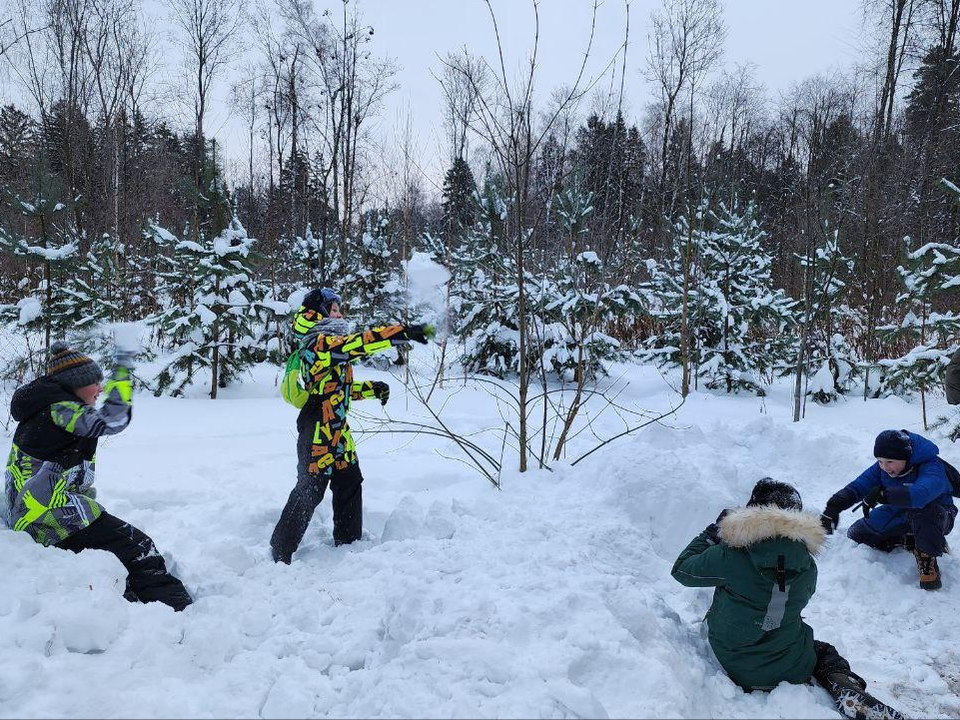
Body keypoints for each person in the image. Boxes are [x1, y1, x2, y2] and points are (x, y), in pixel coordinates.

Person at [4, 341, 192, 611]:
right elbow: (113, 420)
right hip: (51, 515)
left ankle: (122, 601)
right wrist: (123, 368)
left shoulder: (45, 407)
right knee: (140, 548)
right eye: (95, 382)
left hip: (32, 513)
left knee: (108, 550)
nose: (101, 388)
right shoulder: (61, 410)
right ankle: (181, 612)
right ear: (75, 384)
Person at [671, 479, 880, 709]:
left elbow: (681, 570)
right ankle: (846, 685)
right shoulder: (807, 565)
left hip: (733, 661)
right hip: (792, 667)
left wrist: (712, 533)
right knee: (824, 652)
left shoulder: (730, 555)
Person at [270, 287, 434, 563]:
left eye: (338, 308)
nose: (339, 313)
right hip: (318, 429)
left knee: (350, 480)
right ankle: (281, 550)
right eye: (333, 309)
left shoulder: (330, 344)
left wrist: (371, 389)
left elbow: (336, 388)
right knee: (310, 489)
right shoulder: (317, 344)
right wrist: (401, 333)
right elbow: (361, 343)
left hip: (337, 429)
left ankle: (349, 543)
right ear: (317, 313)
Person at [820, 429, 956, 590]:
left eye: (890, 462)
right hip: (899, 509)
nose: (885, 467)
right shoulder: (883, 468)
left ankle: (928, 554)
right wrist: (833, 507)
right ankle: (910, 539)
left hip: (937, 514)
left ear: (905, 457)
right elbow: (859, 486)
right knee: (858, 533)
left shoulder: (931, 465)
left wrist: (884, 494)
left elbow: (922, 493)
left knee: (925, 513)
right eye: (880, 461)